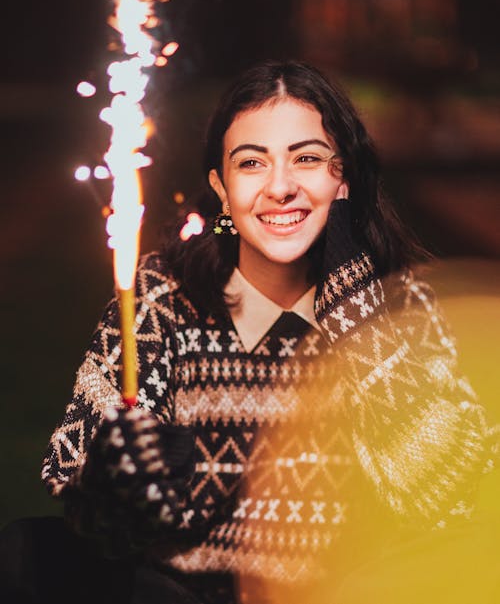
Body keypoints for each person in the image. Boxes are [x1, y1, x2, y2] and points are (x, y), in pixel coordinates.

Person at [2, 61, 497, 604]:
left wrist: (356, 304)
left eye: (307, 159)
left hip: (339, 595)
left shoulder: (402, 309)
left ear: (344, 177)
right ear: (221, 186)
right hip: (181, 595)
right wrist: (119, 481)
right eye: (251, 163)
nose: (280, 187)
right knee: (27, 550)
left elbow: (454, 500)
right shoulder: (162, 299)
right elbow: (81, 493)